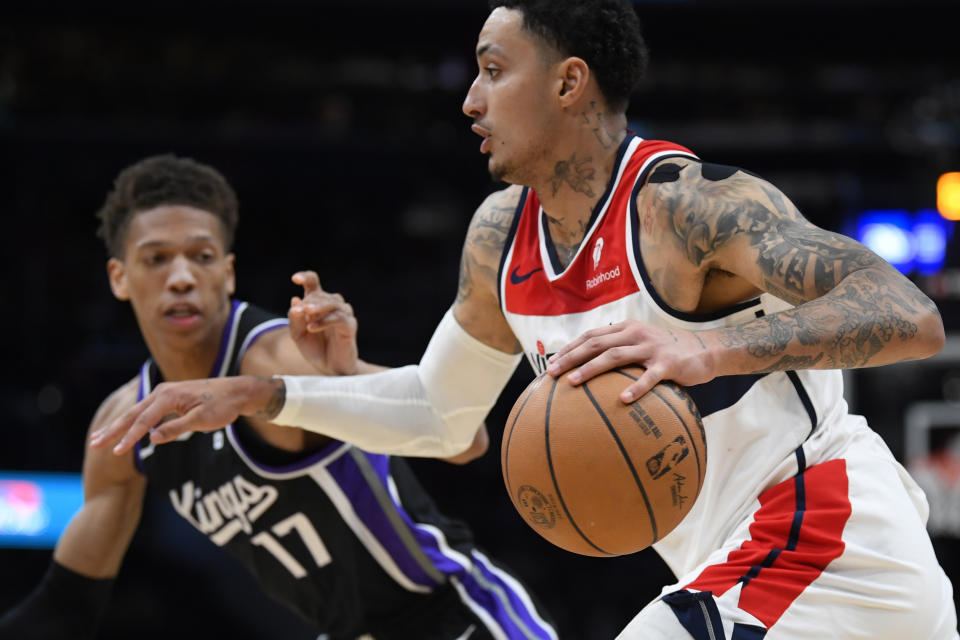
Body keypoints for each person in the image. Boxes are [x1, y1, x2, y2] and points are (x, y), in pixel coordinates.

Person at [90, 2, 959, 638]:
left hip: (829, 539)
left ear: (569, 82)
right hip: (733, 568)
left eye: (493, 70)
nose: (470, 98)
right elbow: (442, 414)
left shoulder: (689, 207)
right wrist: (264, 392)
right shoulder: (500, 238)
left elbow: (908, 313)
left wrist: (708, 346)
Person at [0, 154, 558, 640]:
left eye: (201, 256)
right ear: (119, 278)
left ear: (228, 272)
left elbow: (464, 440)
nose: (181, 278)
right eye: (156, 259)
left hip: (449, 615)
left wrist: (347, 369)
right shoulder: (125, 425)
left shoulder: (269, 360)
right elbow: (66, 609)